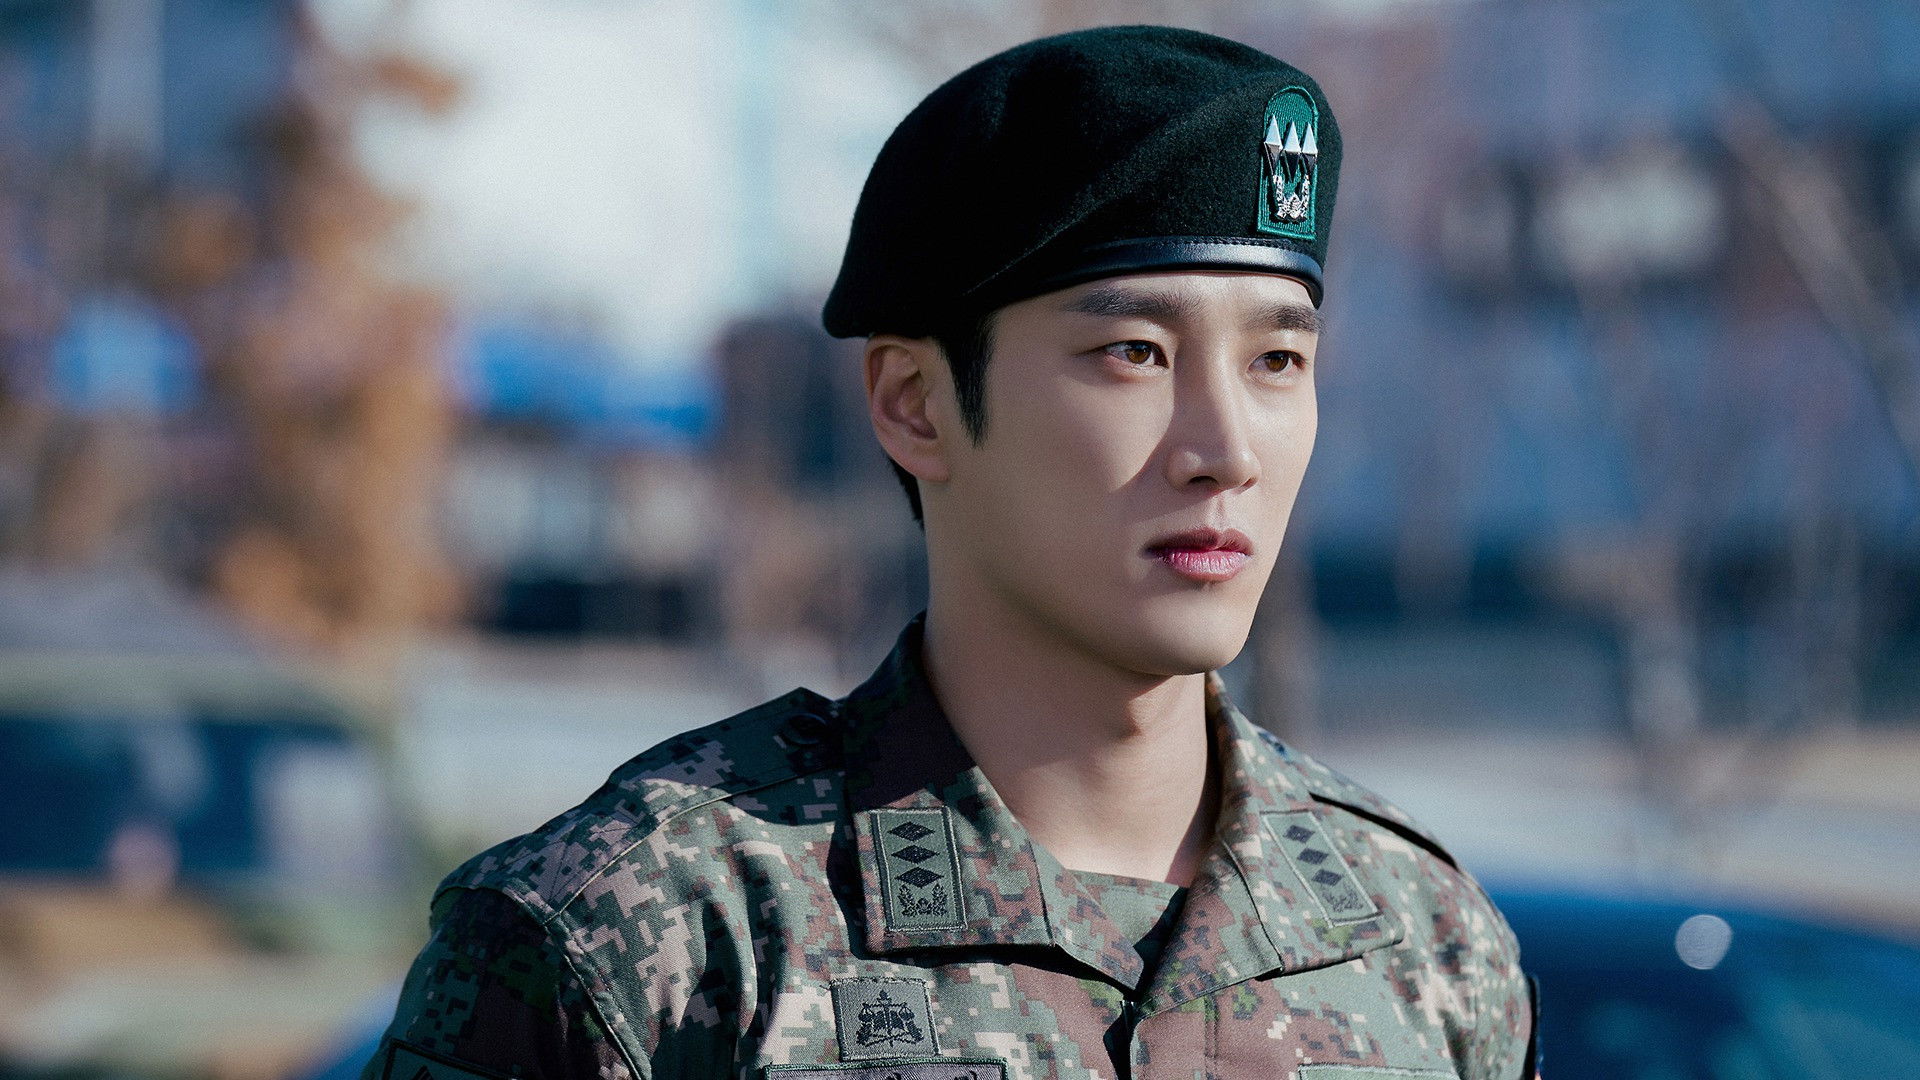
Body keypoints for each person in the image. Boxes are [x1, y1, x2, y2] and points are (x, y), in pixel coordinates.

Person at [360, 24, 1541, 1080]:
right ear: (915, 404)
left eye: (1276, 361)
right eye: (1134, 352)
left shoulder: (1424, 942)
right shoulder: (650, 936)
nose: (1226, 450)